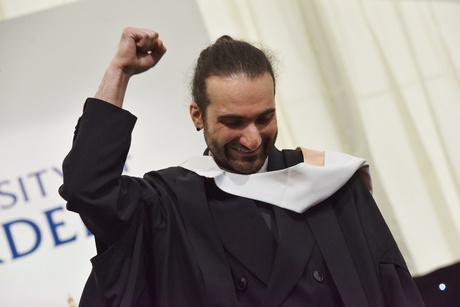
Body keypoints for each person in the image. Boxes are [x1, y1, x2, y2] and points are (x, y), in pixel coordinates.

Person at [59, 27, 425, 307]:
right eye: (233, 122)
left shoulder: (330, 183)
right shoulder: (167, 204)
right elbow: (86, 188)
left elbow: (395, 289)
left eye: (264, 118)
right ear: (197, 116)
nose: (251, 139)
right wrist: (119, 72)